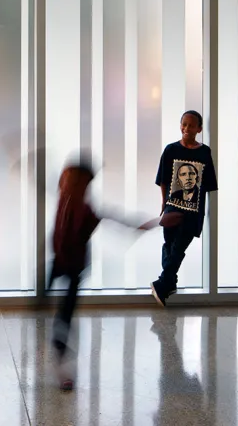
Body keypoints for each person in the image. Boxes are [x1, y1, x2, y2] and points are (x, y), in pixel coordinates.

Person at [48, 155, 165, 390]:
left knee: (64, 316)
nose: (65, 182)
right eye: (65, 178)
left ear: (84, 186)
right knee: (46, 304)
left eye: (73, 180)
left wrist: (140, 226)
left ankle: (61, 362)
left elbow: (111, 217)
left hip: (73, 266)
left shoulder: (84, 209)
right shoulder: (65, 198)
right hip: (59, 261)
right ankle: (56, 347)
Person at [151, 110, 218, 307]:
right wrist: (164, 203)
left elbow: (208, 184)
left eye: (191, 125)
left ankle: (163, 284)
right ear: (180, 126)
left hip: (193, 212)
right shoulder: (170, 150)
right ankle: (169, 283)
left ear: (199, 129)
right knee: (169, 246)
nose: (187, 129)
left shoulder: (204, 152)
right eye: (184, 124)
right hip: (172, 208)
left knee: (179, 248)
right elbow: (163, 179)